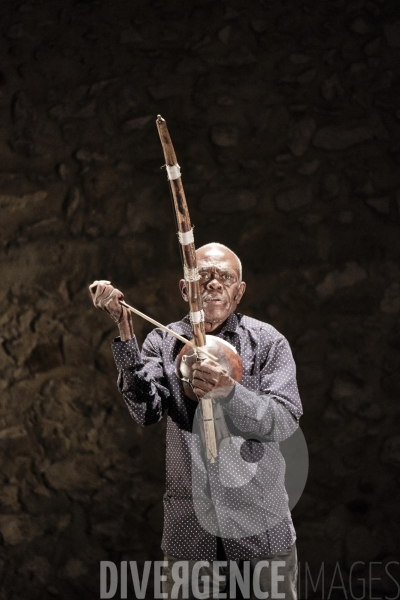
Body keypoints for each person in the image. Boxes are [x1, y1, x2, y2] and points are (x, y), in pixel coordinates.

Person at [90, 242, 303, 599]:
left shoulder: (267, 342)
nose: (214, 284)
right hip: (191, 534)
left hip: (262, 531)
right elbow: (146, 411)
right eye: (202, 275)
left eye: (225, 278)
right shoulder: (162, 341)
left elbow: (283, 420)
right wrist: (126, 333)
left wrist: (230, 393)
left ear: (239, 291)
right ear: (185, 288)